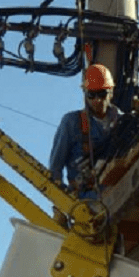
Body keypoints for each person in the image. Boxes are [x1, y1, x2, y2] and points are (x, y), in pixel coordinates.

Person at [48, 63, 120, 200]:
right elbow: (55, 168)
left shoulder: (122, 124)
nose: (97, 100)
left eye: (102, 93)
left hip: (117, 193)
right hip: (85, 199)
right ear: (85, 95)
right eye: (91, 95)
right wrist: (60, 204)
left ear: (111, 93)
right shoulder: (72, 122)